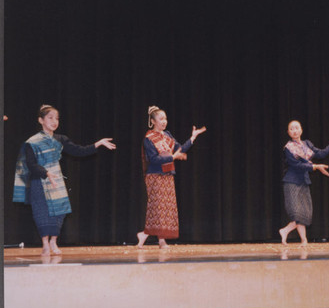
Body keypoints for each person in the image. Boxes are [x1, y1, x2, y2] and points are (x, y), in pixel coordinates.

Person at [13, 104, 116, 256]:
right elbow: (31, 164)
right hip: (40, 180)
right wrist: (46, 173)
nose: (54, 121)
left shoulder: (60, 139)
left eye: (57, 118)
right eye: (50, 118)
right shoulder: (32, 142)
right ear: (40, 120)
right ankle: (45, 244)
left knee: (59, 212)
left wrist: (97, 144)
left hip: (57, 180)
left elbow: (78, 150)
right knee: (42, 212)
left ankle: (53, 241)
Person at [136, 106, 206, 249]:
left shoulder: (167, 135)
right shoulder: (149, 138)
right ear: (153, 121)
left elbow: (180, 149)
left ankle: (155, 238)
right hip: (155, 176)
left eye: (165, 118)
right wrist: (172, 157)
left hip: (167, 175)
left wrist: (193, 137)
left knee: (165, 208)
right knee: (157, 207)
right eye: (161, 119)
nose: (164, 121)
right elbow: (153, 159)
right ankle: (147, 235)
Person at [279, 120, 329, 248]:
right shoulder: (288, 148)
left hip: (304, 182)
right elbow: (297, 165)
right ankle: (287, 232)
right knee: (297, 213)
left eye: (297, 128)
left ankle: (302, 240)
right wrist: (315, 166)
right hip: (292, 182)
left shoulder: (307, 144)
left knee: (305, 213)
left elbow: (321, 153)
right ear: (288, 132)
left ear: (301, 130)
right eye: (291, 129)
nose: (294, 130)